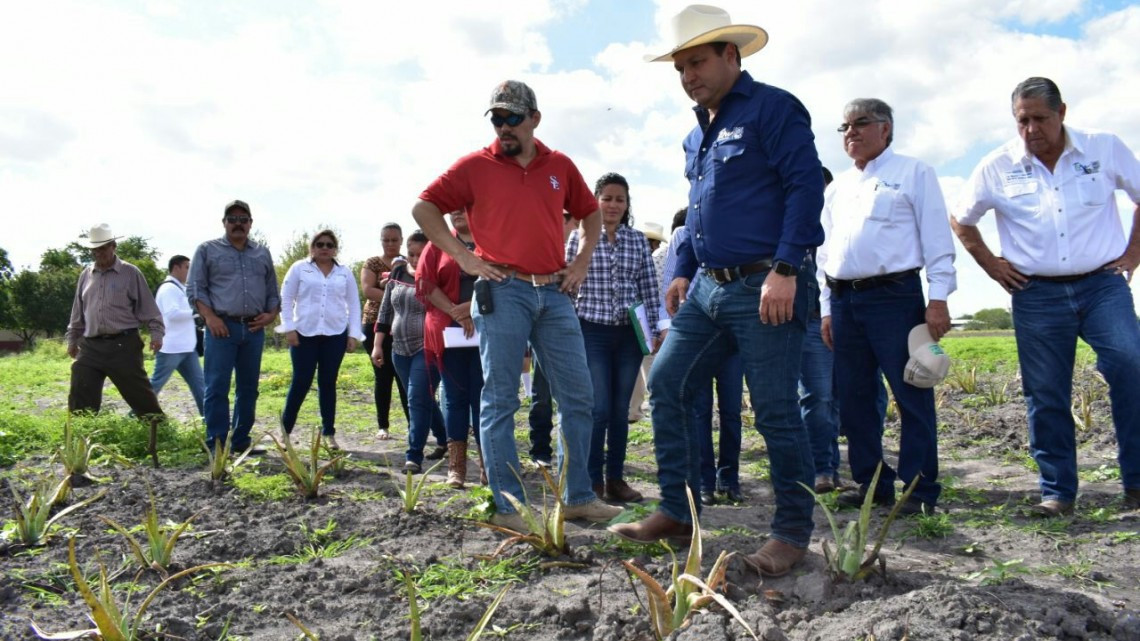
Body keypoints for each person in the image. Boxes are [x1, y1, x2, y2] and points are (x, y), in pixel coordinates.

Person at [610, 5, 824, 579]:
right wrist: (681, 267)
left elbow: (806, 188)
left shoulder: (774, 109)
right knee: (668, 381)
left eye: (697, 63)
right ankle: (679, 511)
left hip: (766, 283)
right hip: (707, 287)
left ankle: (791, 533)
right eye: (680, 68)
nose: (688, 77)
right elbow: (698, 215)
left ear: (732, 55)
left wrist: (786, 267)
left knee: (777, 410)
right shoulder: (695, 134)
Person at [411, 79, 622, 530]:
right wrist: (466, 257)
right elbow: (424, 208)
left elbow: (587, 213)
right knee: (501, 399)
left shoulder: (559, 165)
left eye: (511, 118)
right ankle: (508, 508)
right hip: (503, 290)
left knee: (579, 397)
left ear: (534, 119)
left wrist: (581, 260)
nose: (503, 127)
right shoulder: (475, 165)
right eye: (496, 118)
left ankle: (578, 496)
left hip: (555, 292)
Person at [952, 77, 1140, 515]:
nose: (1031, 129)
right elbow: (962, 219)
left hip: (1102, 284)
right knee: (1045, 392)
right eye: (1022, 120)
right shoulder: (996, 165)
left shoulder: (1103, 147)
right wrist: (992, 265)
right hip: (1036, 294)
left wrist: (1132, 255)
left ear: (1062, 113)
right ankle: (1057, 493)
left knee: (1131, 365)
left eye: (1040, 118)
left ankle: (1136, 484)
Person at [818, 98, 957, 516]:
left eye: (861, 124)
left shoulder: (913, 172)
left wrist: (939, 298)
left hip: (894, 297)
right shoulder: (837, 188)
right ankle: (871, 482)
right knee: (855, 397)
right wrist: (826, 308)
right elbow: (825, 254)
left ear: (886, 128)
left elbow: (936, 237)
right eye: (843, 127)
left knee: (911, 391)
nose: (851, 133)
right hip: (844, 300)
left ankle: (918, 489)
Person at [567, 172, 660, 503]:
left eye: (620, 199)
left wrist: (656, 328)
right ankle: (592, 480)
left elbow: (649, 287)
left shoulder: (636, 240)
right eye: (606, 198)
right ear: (595, 201)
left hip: (628, 334)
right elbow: (566, 286)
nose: (613, 205)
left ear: (627, 204)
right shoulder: (577, 239)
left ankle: (615, 480)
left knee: (621, 410)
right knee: (599, 408)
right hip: (591, 332)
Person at [656, 210, 744, 506]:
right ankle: (705, 480)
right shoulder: (683, 234)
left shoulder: (738, 226)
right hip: (697, 333)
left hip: (732, 333)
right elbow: (671, 280)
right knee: (700, 410)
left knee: (731, 410)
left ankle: (729, 478)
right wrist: (668, 326)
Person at [66, 224, 166, 464]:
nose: (98, 254)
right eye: (94, 251)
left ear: (113, 246)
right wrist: (73, 337)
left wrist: (156, 334)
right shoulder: (86, 275)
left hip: (123, 344)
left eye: (102, 249)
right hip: (91, 346)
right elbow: (78, 311)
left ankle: (161, 436)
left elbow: (149, 309)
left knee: (140, 396)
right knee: (81, 387)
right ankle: (79, 441)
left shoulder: (131, 273)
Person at [187, 199, 280, 453]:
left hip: (253, 329)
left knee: (249, 388)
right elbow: (195, 288)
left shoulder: (262, 252)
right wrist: (210, 317)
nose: (238, 224)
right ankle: (216, 444)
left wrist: (271, 314)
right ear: (224, 223)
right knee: (217, 386)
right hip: (221, 328)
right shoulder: (207, 250)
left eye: (243, 219)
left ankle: (240, 441)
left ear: (250, 224)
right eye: (232, 219)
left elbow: (272, 290)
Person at [278, 230, 364, 451]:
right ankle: (285, 432)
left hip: (334, 335)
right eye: (319, 244)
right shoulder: (299, 268)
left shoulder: (344, 273)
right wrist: (288, 327)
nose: (324, 248)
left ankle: (329, 433)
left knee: (328, 383)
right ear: (312, 247)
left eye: (329, 244)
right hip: (303, 334)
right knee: (301, 381)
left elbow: (354, 304)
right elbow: (286, 299)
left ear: (335, 249)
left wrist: (353, 334)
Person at [417, 210, 485, 488]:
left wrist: (472, 309)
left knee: (486, 401)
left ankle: (488, 465)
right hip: (449, 333)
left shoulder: (492, 241)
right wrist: (457, 313)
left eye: (464, 206)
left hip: (488, 331)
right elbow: (426, 284)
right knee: (455, 399)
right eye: (452, 207)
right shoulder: (437, 244)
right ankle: (456, 468)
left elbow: (504, 280)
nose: (457, 211)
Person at [371, 232, 446, 473]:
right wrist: (378, 344)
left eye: (421, 254)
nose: (415, 259)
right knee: (422, 398)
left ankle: (413, 456)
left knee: (416, 400)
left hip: (427, 348)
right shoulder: (397, 273)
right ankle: (444, 440)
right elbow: (385, 312)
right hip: (398, 349)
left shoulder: (439, 278)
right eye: (412, 253)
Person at [528, 212, 582, 468]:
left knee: (578, 397)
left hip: (583, 331)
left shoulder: (583, 250)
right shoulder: (543, 252)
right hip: (546, 332)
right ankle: (540, 449)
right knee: (542, 393)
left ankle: (576, 455)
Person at [360, 223, 411, 440]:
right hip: (374, 325)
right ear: (381, 240)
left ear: (401, 240)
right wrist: (394, 295)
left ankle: (413, 425)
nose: (390, 243)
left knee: (405, 378)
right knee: (383, 377)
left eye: (394, 239)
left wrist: (391, 288)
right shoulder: (372, 263)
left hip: (403, 326)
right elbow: (368, 290)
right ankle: (383, 425)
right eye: (386, 240)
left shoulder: (408, 263)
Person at [149, 254, 205, 417]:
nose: (190, 271)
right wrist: (196, 312)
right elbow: (172, 314)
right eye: (187, 267)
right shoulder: (168, 289)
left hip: (187, 348)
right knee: (155, 385)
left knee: (200, 386)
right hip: (171, 348)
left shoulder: (179, 288)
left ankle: (208, 420)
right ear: (176, 267)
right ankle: (135, 417)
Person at [627, 220, 669, 423]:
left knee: (639, 365)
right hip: (651, 318)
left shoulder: (636, 258)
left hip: (635, 316)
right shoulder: (657, 259)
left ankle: (633, 409)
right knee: (651, 363)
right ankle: (656, 408)